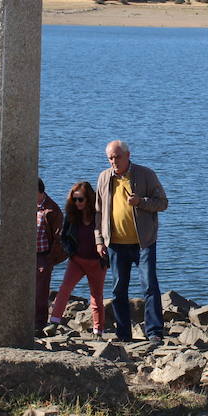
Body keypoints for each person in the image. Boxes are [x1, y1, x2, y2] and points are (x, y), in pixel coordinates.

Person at [95, 140, 168, 342]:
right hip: (115, 244)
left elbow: (163, 203)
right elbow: (98, 212)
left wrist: (140, 202)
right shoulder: (104, 178)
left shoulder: (145, 174)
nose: (114, 161)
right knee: (118, 290)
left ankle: (154, 333)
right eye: (110, 158)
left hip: (143, 242)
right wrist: (99, 240)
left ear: (128, 155)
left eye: (117, 157)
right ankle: (123, 334)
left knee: (149, 286)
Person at [49, 180, 107, 332]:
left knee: (96, 296)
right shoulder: (71, 216)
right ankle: (54, 322)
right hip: (77, 261)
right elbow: (65, 237)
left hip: (97, 263)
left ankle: (98, 330)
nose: (77, 203)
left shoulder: (99, 216)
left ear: (89, 199)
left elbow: (108, 236)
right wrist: (71, 252)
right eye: (74, 199)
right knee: (64, 289)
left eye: (80, 199)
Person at [35, 178, 64, 328]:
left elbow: (59, 237)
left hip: (44, 255)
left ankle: (39, 325)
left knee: (41, 291)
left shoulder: (51, 210)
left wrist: (50, 259)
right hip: (27, 255)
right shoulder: (27, 205)